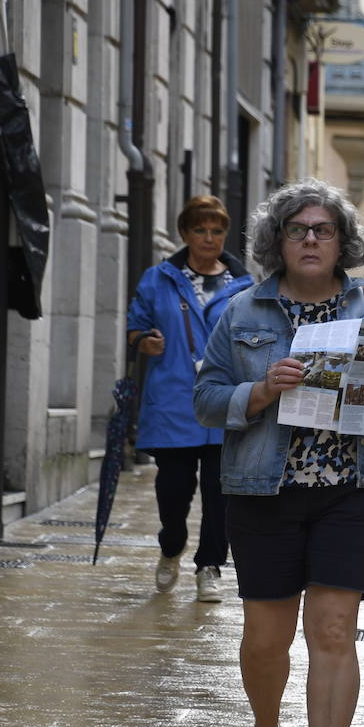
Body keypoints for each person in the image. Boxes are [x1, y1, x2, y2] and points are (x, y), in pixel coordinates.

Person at [194, 178, 364, 727]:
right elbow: (206, 398)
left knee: (332, 633)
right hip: (263, 491)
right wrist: (260, 390)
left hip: (349, 491)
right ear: (279, 241)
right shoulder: (242, 313)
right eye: (299, 230)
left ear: (343, 241)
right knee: (266, 640)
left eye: (324, 230)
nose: (312, 240)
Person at [127, 195, 253, 602]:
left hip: (223, 402)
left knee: (221, 494)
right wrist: (144, 341)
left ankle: (210, 567)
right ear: (184, 233)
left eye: (216, 231)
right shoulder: (158, 278)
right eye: (200, 230)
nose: (209, 238)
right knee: (173, 489)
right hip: (173, 401)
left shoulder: (245, 286)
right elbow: (135, 326)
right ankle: (171, 544)